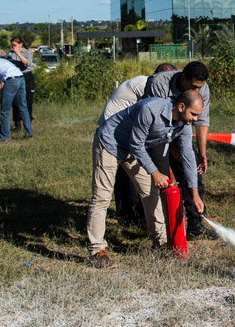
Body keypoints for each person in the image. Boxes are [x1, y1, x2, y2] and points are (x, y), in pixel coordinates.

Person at [86, 90, 205, 268]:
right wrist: (155, 173)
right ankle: (97, 251)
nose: (196, 119)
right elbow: (136, 144)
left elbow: (188, 157)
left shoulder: (183, 125)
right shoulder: (149, 109)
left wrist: (195, 194)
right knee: (102, 197)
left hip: (131, 148)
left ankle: (161, 244)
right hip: (110, 142)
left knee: (151, 193)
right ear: (181, 107)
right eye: (193, 114)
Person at [99, 63, 177, 226]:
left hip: (134, 130)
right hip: (114, 132)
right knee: (125, 173)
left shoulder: (165, 91)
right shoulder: (143, 85)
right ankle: (126, 214)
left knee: (151, 166)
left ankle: (147, 215)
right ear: (158, 77)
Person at [144, 61, 214, 240]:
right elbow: (156, 123)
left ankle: (195, 225)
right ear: (182, 77)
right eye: (192, 86)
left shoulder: (202, 90)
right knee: (162, 181)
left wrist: (202, 153)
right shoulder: (158, 83)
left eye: (199, 87)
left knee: (192, 174)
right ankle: (162, 229)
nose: (196, 91)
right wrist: (174, 148)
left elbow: (201, 122)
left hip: (181, 131)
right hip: (155, 135)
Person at [6, 37, 35, 132]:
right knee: (15, 102)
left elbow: (28, 63)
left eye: (15, 45)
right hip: (15, 77)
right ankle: (17, 123)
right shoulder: (10, 53)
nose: (13, 47)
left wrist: (18, 54)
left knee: (28, 101)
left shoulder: (27, 53)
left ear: (20, 44)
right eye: (12, 45)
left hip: (27, 77)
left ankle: (28, 123)